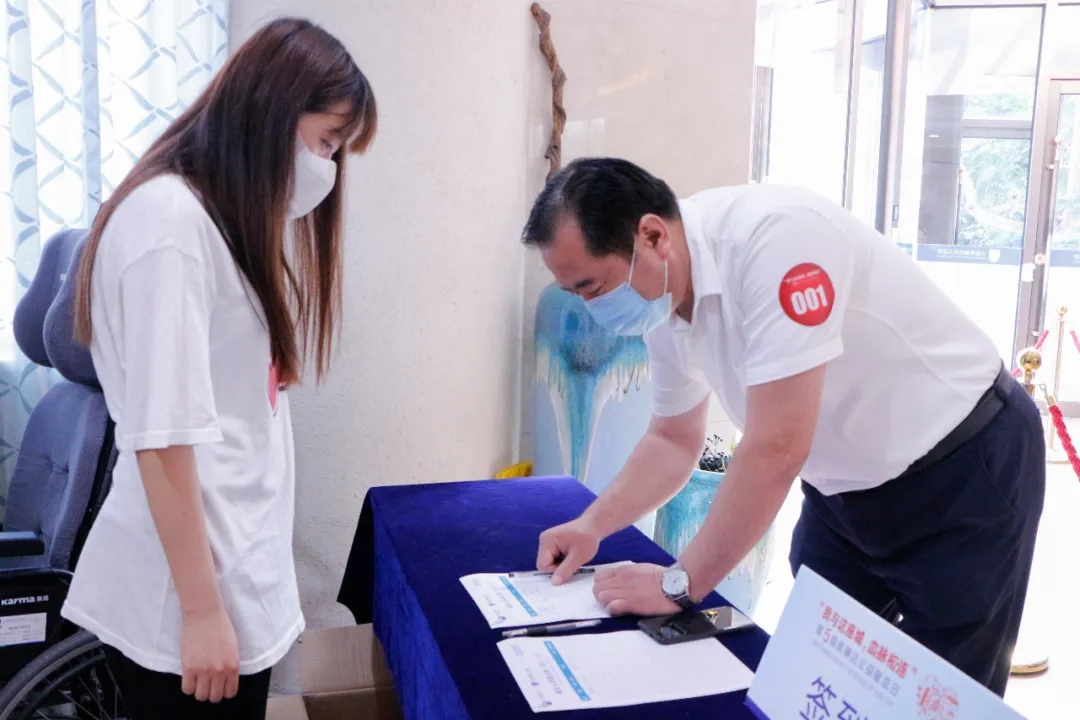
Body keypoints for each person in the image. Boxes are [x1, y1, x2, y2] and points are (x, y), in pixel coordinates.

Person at [522, 157, 1044, 697]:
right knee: (818, 670)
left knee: (942, 690)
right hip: (843, 488)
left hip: (962, 465)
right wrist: (593, 525)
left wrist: (679, 585)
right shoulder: (659, 296)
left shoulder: (780, 240)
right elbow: (672, 438)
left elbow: (776, 446)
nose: (593, 307)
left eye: (593, 287)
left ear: (652, 236)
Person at [63, 18, 376, 719]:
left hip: (231, 567)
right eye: (327, 141)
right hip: (185, 598)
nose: (327, 167)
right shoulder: (170, 226)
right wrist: (202, 613)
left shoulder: (217, 221)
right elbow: (162, 438)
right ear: (273, 110)